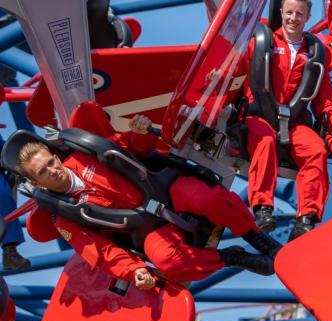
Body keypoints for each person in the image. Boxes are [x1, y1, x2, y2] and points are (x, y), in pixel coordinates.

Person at [14, 104, 278, 289]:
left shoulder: (84, 153)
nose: (53, 170)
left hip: (165, 189)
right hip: (146, 227)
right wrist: (134, 270)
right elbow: (100, 252)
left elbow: (129, 148)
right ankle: (232, 257)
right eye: (43, 172)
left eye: (51, 162)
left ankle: (254, 235)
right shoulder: (64, 214)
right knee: (169, 263)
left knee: (210, 200)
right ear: (36, 182)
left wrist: (139, 134)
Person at [241, 0, 332, 241]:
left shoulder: (315, 53)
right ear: (281, 14)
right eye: (289, 12)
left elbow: (325, 96)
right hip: (259, 116)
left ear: (307, 18)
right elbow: (236, 75)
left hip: (294, 121)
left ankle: (306, 217)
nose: (293, 18)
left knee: (316, 150)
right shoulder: (261, 44)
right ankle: (263, 207)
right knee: (265, 142)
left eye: (299, 14)